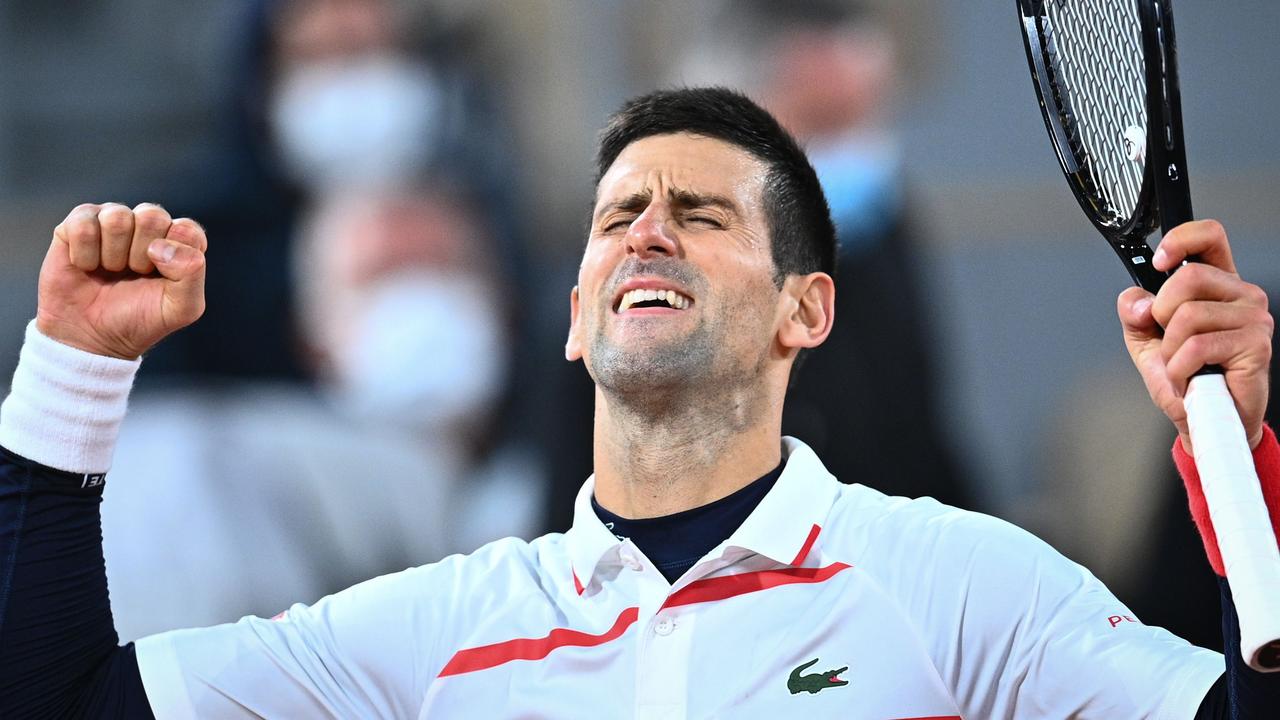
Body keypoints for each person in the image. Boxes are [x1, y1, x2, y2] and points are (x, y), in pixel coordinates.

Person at [0, 88, 1277, 716]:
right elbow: (58, 706)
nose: (645, 233)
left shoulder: (954, 580)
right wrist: (70, 367)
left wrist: (1242, 458)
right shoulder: (432, 630)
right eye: (616, 217)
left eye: (701, 213)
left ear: (805, 312)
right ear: (572, 317)